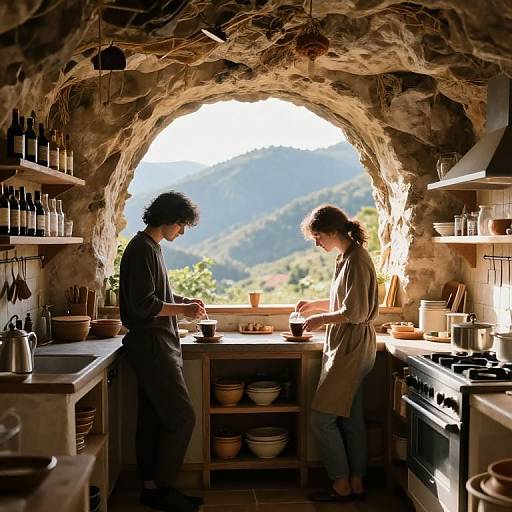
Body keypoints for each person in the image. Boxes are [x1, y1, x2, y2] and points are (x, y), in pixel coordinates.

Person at [119, 191, 206, 512]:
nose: (181, 232)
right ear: (169, 220)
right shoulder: (142, 249)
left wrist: (183, 303)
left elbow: (158, 294)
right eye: (181, 225)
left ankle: (150, 488)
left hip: (156, 346)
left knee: (153, 418)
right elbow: (143, 305)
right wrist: (181, 313)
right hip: (153, 347)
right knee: (183, 417)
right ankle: (165, 488)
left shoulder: (150, 247)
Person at [296, 204, 378, 503]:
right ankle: (356, 482)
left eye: (318, 236)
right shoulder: (347, 256)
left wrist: (320, 320)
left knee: (321, 418)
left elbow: (354, 312)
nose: (317, 243)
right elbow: (345, 301)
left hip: (352, 348)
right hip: (351, 345)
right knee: (349, 418)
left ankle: (340, 484)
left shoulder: (356, 259)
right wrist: (315, 304)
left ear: (332, 232)